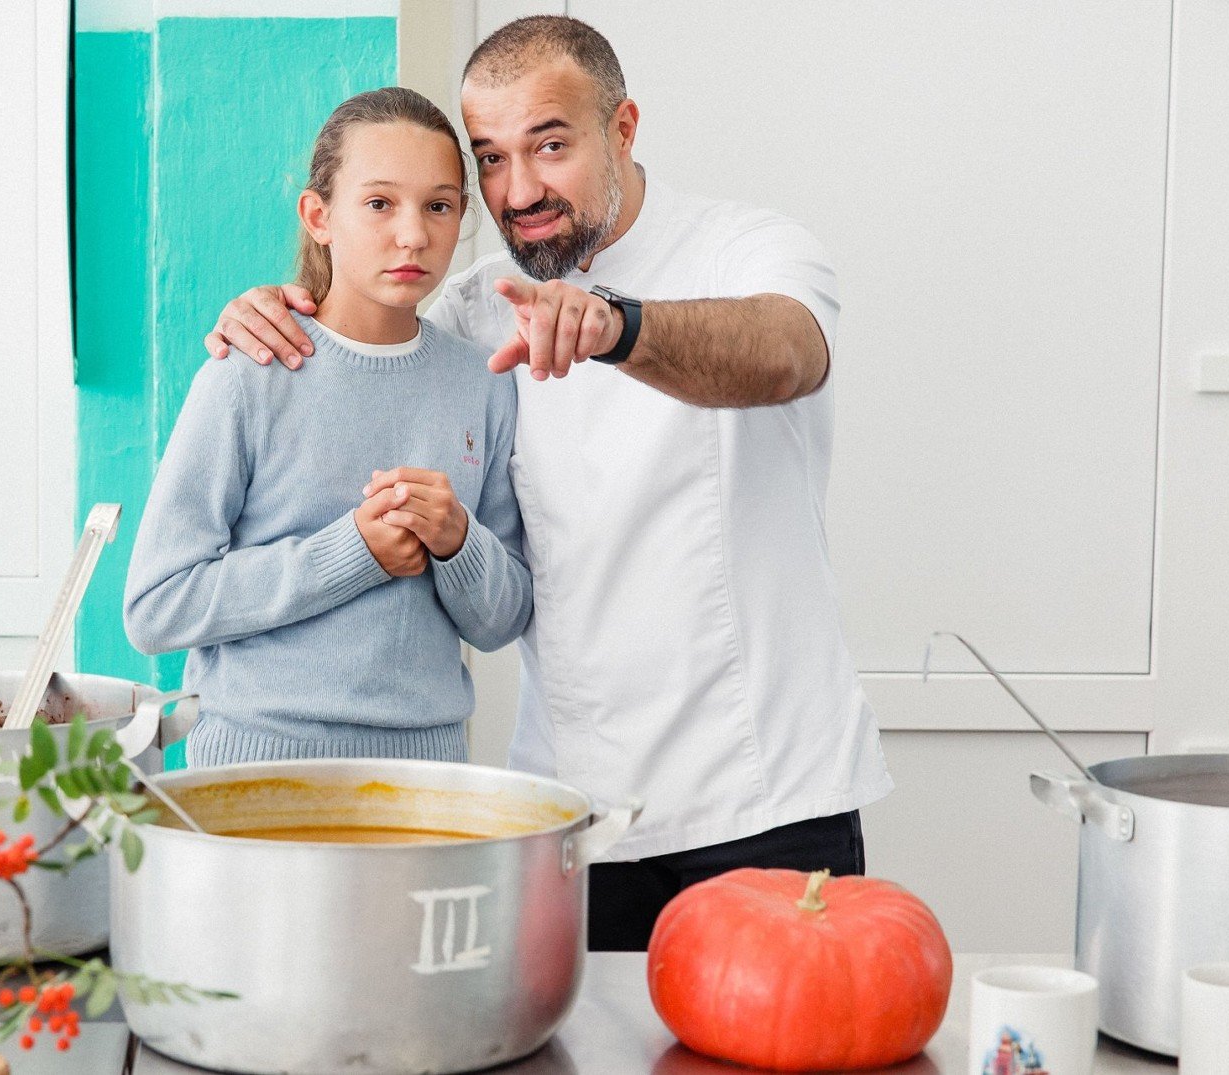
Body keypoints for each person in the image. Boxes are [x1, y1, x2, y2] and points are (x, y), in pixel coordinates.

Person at [203, 17, 892, 949]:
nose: (518, 190)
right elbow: (357, 326)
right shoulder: (470, 308)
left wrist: (615, 327)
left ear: (624, 128)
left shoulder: (753, 249)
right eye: (490, 158)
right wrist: (265, 309)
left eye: (550, 146)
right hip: (570, 812)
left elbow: (783, 355)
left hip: (763, 796)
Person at [124, 87, 532, 768]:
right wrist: (352, 555)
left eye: (439, 206)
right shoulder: (250, 370)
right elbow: (157, 606)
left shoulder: (483, 380)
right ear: (319, 216)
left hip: (427, 778)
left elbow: (503, 619)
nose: (413, 234)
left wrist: (459, 541)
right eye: (379, 204)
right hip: (253, 772)